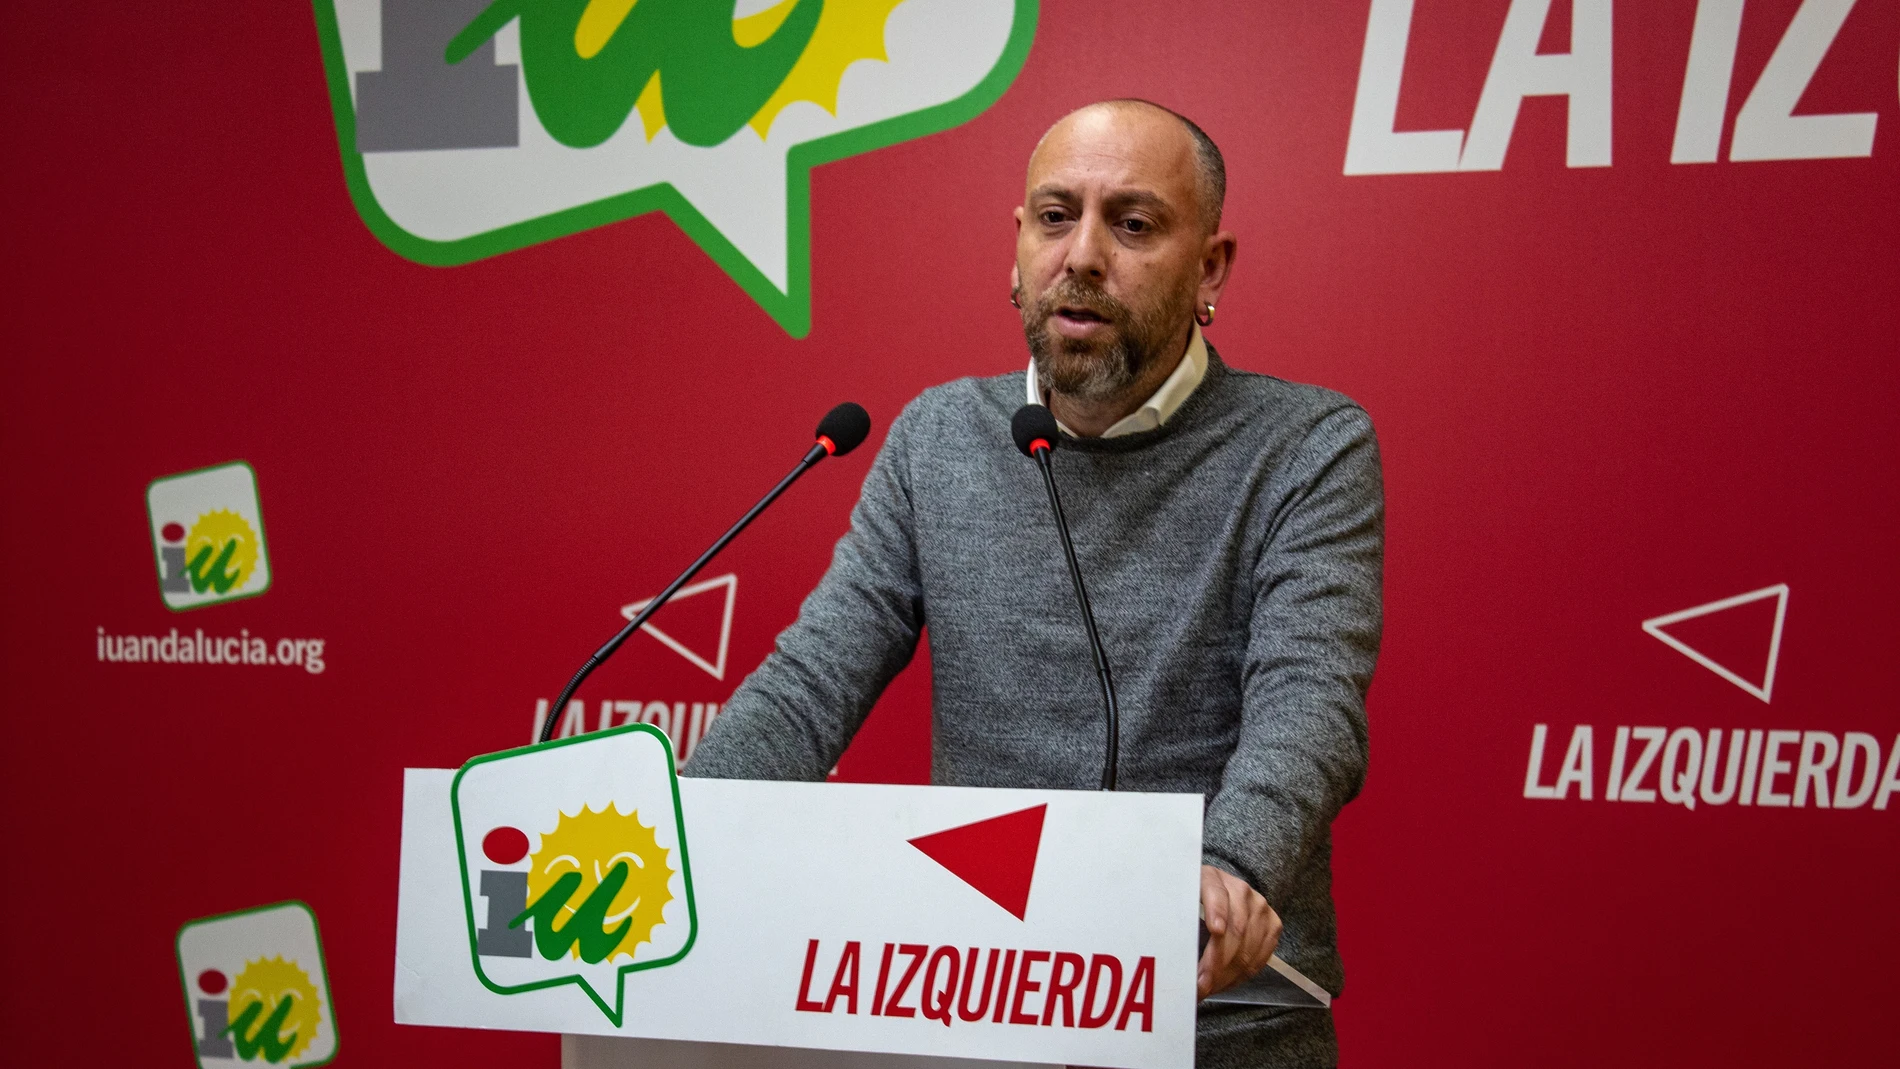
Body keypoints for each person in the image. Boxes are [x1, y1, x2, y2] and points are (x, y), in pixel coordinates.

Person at [686, 99, 1383, 1068]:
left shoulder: (1306, 446)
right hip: (977, 1004)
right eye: (1055, 217)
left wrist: (1229, 867)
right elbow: (812, 684)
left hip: (1213, 1015)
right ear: (1016, 246)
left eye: (1132, 224)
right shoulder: (936, 439)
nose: (1083, 255)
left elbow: (1307, 708)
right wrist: (672, 834)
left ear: (1210, 268)